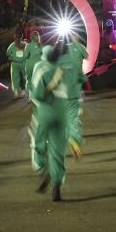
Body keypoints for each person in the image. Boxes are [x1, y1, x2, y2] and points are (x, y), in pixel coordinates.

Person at [29, 40, 79, 202]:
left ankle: (44, 170)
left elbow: (37, 94)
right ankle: (57, 187)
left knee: (39, 143)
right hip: (62, 110)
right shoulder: (65, 68)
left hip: (46, 110)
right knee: (58, 151)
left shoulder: (40, 68)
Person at [60, 40, 88, 158]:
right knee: (73, 120)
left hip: (60, 97)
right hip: (74, 96)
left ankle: (69, 139)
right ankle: (74, 139)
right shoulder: (75, 64)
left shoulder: (57, 62)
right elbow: (83, 79)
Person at [6, 32, 29, 98]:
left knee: (22, 78)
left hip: (21, 63)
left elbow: (8, 54)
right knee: (16, 78)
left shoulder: (24, 44)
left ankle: (22, 92)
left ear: (21, 37)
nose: (17, 39)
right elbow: (8, 54)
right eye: (16, 37)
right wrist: (11, 58)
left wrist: (11, 57)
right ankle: (17, 92)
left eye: (18, 37)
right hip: (16, 64)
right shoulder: (12, 45)